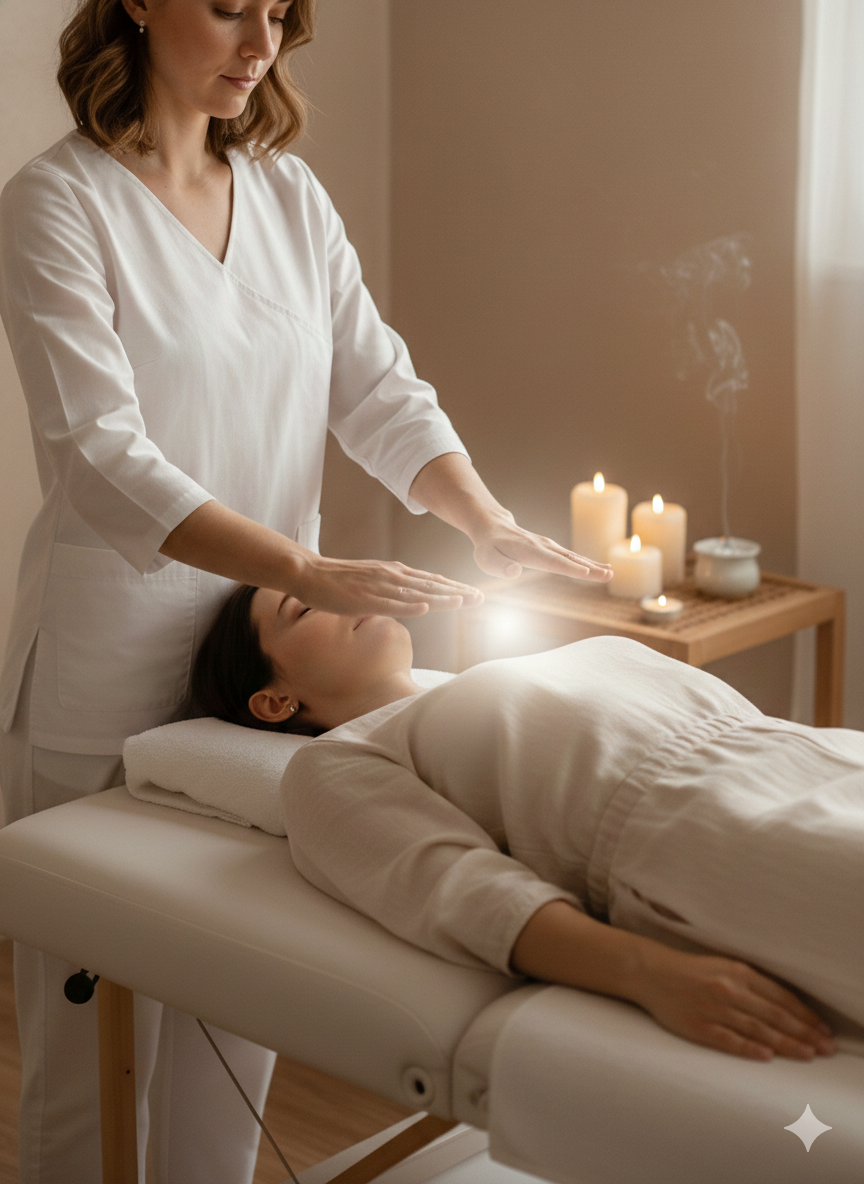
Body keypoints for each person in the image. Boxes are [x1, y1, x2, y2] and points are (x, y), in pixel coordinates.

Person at [0, 1, 612, 1179]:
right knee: (86, 1046)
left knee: (236, 1013)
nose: (262, 43)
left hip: (264, 671)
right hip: (113, 655)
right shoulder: (57, 202)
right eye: (231, 6)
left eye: (280, 13)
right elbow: (98, 454)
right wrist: (303, 568)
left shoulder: (287, 195)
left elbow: (376, 384)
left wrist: (482, 519)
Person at [190, 582, 864, 1066]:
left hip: (823, 756)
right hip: (728, 835)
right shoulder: (337, 763)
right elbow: (460, 889)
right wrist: (648, 973)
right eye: (305, 602)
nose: (351, 591)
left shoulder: (487, 673)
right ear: (275, 700)